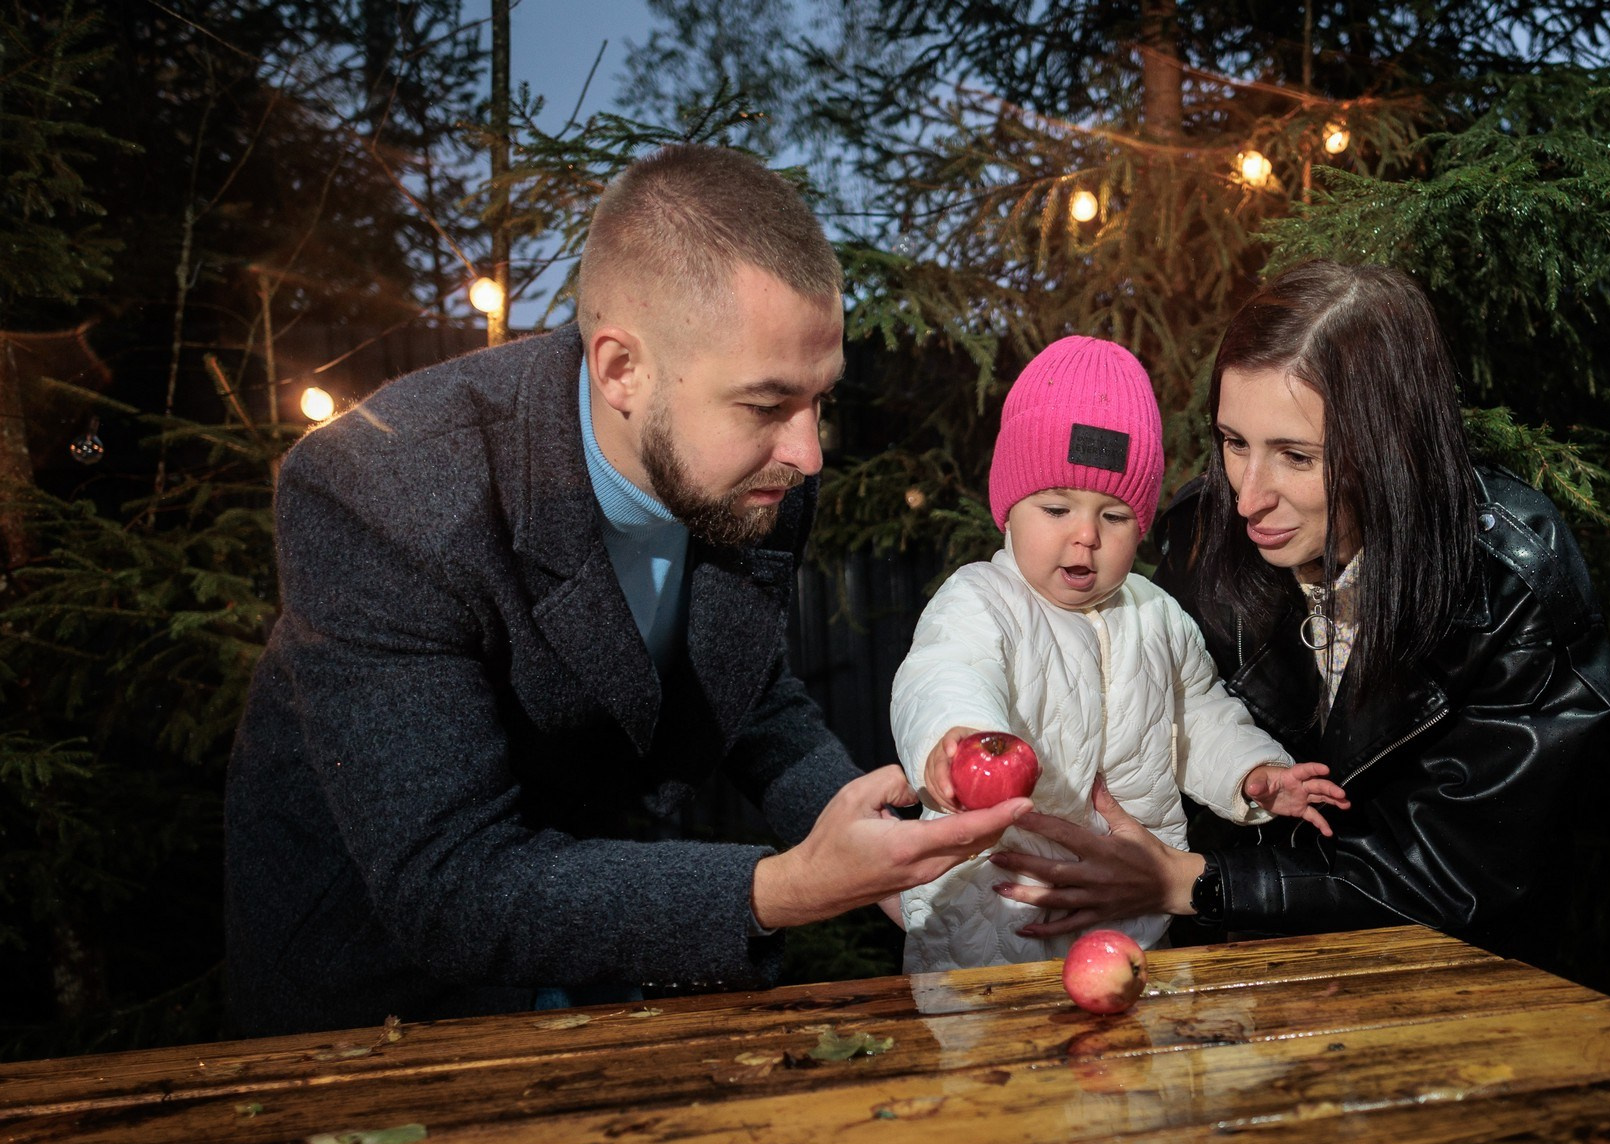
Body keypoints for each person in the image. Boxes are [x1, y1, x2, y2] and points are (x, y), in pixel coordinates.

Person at [224, 146, 1024, 1037]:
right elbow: (448, 884)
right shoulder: (381, 494)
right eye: (765, 405)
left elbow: (748, 690)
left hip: (605, 962)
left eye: (818, 399)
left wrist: (896, 863)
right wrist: (783, 888)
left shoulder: (755, 470)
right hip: (384, 1004)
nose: (809, 452)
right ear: (620, 371)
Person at [983, 261, 1610, 948]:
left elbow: (1458, 870)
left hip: (1449, 987)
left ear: (1390, 446)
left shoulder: (1512, 586)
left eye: (1296, 456)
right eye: (1233, 443)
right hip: (1234, 976)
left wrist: (1190, 882)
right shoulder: (1205, 537)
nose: (1249, 497)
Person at [890, 336, 1344, 972]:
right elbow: (944, 672)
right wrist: (958, 737)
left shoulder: (1154, 614)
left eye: (1115, 515)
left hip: (1128, 923)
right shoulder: (981, 601)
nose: (1085, 535)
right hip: (993, 925)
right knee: (989, 1059)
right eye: (1055, 507)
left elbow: (1199, 718)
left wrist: (1253, 773)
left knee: (1134, 1059)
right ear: (1007, 512)